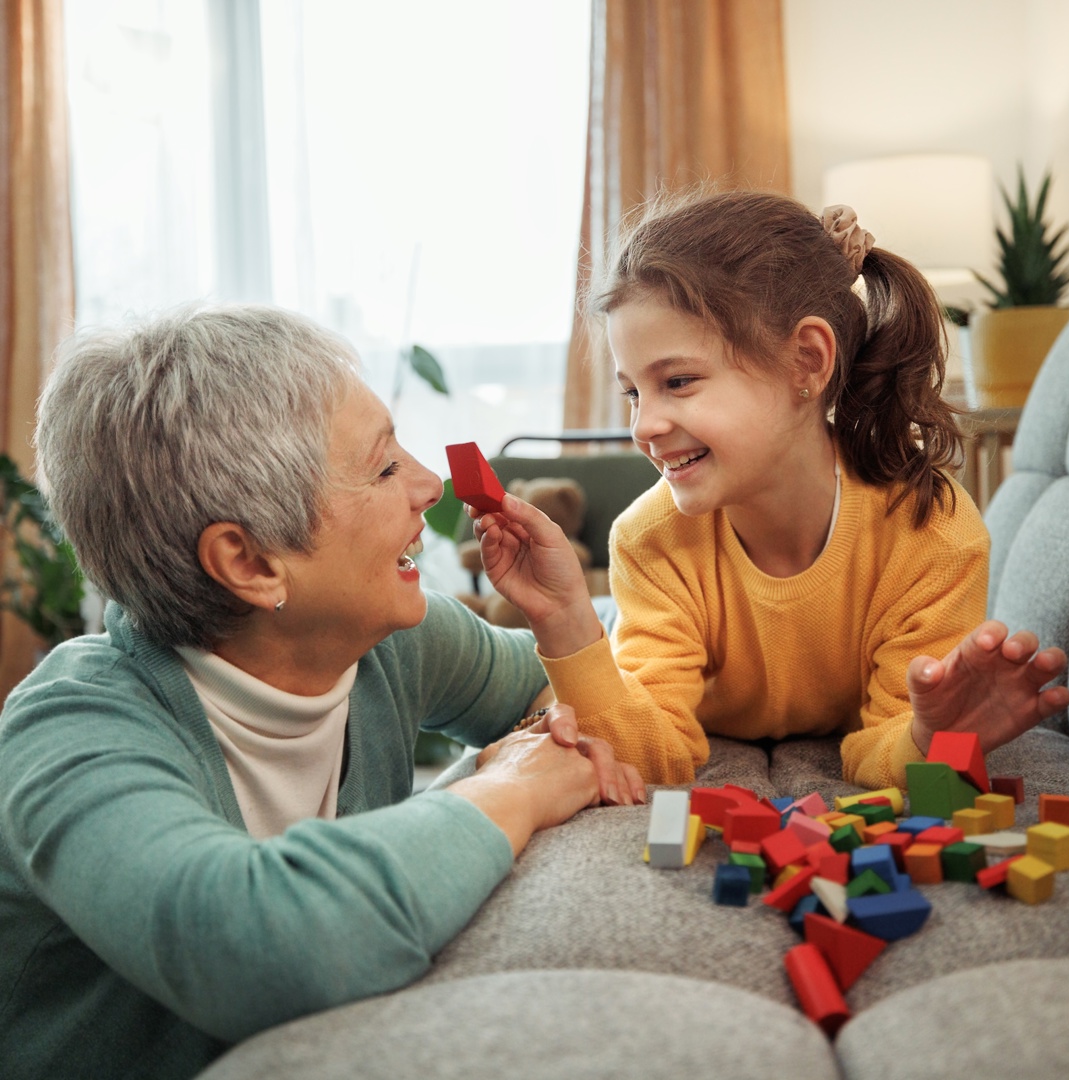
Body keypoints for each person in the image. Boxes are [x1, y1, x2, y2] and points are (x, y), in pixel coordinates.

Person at [0, 303, 644, 1080]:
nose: (429, 485)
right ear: (250, 563)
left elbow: (575, 688)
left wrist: (565, 616)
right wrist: (510, 787)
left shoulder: (390, 640)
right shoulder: (69, 729)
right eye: (383, 468)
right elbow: (253, 948)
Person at [468, 188, 1069, 788]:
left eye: (677, 381)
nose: (643, 426)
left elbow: (885, 745)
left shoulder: (930, 530)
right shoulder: (647, 541)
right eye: (632, 392)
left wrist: (930, 738)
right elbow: (649, 755)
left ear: (806, 361)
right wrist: (566, 621)